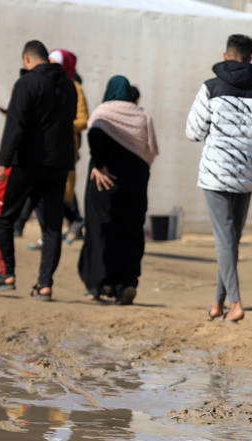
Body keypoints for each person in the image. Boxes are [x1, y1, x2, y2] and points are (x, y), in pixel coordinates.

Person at [186, 33, 252, 323]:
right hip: (246, 176)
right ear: (250, 59)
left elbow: (193, 132)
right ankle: (217, 303)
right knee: (231, 240)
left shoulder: (211, 88)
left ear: (225, 55)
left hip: (215, 175)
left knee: (225, 239)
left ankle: (236, 303)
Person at [0, 40, 77, 301]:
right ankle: (45, 284)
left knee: (2, 217)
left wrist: (3, 161)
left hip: (25, 163)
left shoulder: (25, 84)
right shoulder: (69, 86)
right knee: (51, 227)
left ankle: (6, 274)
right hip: (58, 164)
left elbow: (15, 126)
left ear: (27, 59)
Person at [77, 76, 158, 305]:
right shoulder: (142, 116)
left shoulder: (103, 113)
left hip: (105, 184)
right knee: (131, 232)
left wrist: (99, 164)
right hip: (135, 186)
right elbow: (150, 149)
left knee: (100, 230)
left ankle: (100, 283)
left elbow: (94, 134)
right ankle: (128, 283)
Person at [15, 49, 89, 244]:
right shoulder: (45, 84)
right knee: (46, 191)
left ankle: (64, 227)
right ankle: (67, 226)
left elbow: (83, 120)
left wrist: (60, 124)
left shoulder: (74, 88)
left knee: (59, 192)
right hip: (43, 147)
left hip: (64, 149)